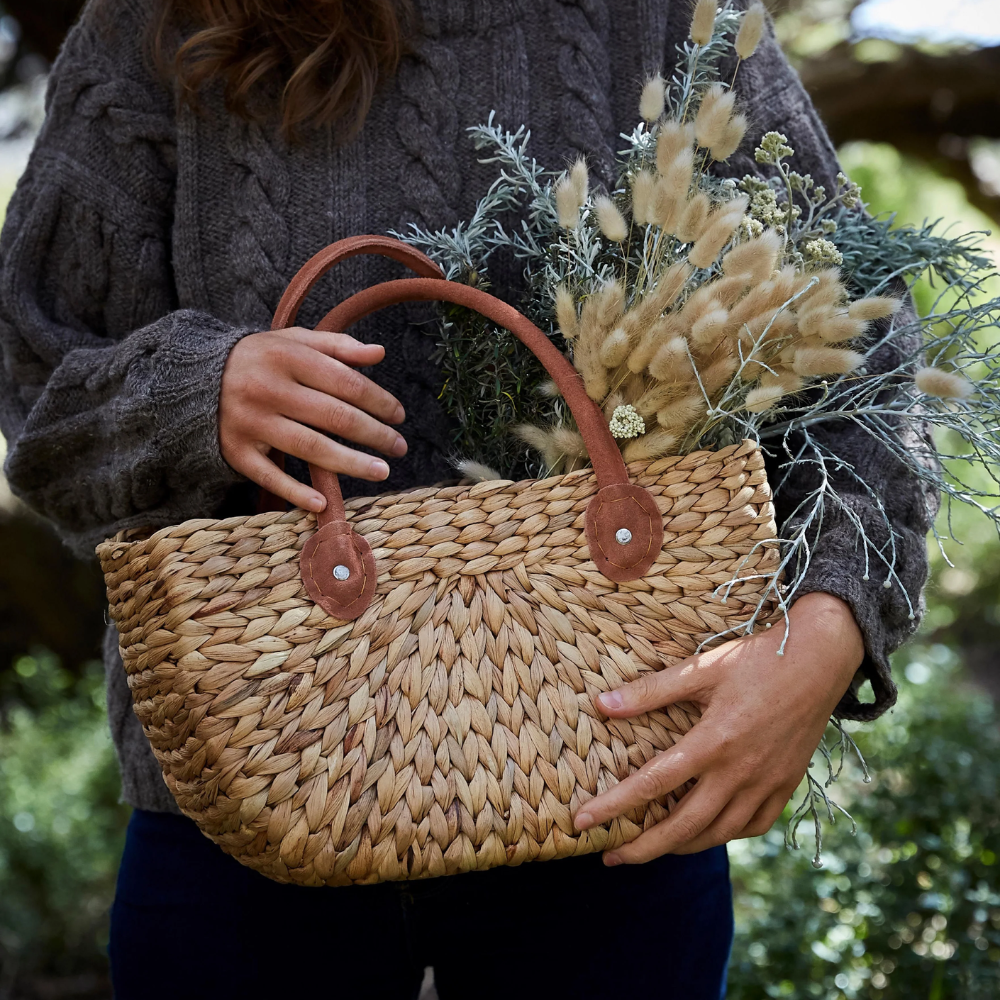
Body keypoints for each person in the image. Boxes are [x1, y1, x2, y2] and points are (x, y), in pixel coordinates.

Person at [0, 0, 931, 997]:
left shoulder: (666, 16)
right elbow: (33, 395)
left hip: (616, 792)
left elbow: (854, 334)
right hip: (238, 817)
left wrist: (828, 627)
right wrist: (199, 391)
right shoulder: (153, 25)